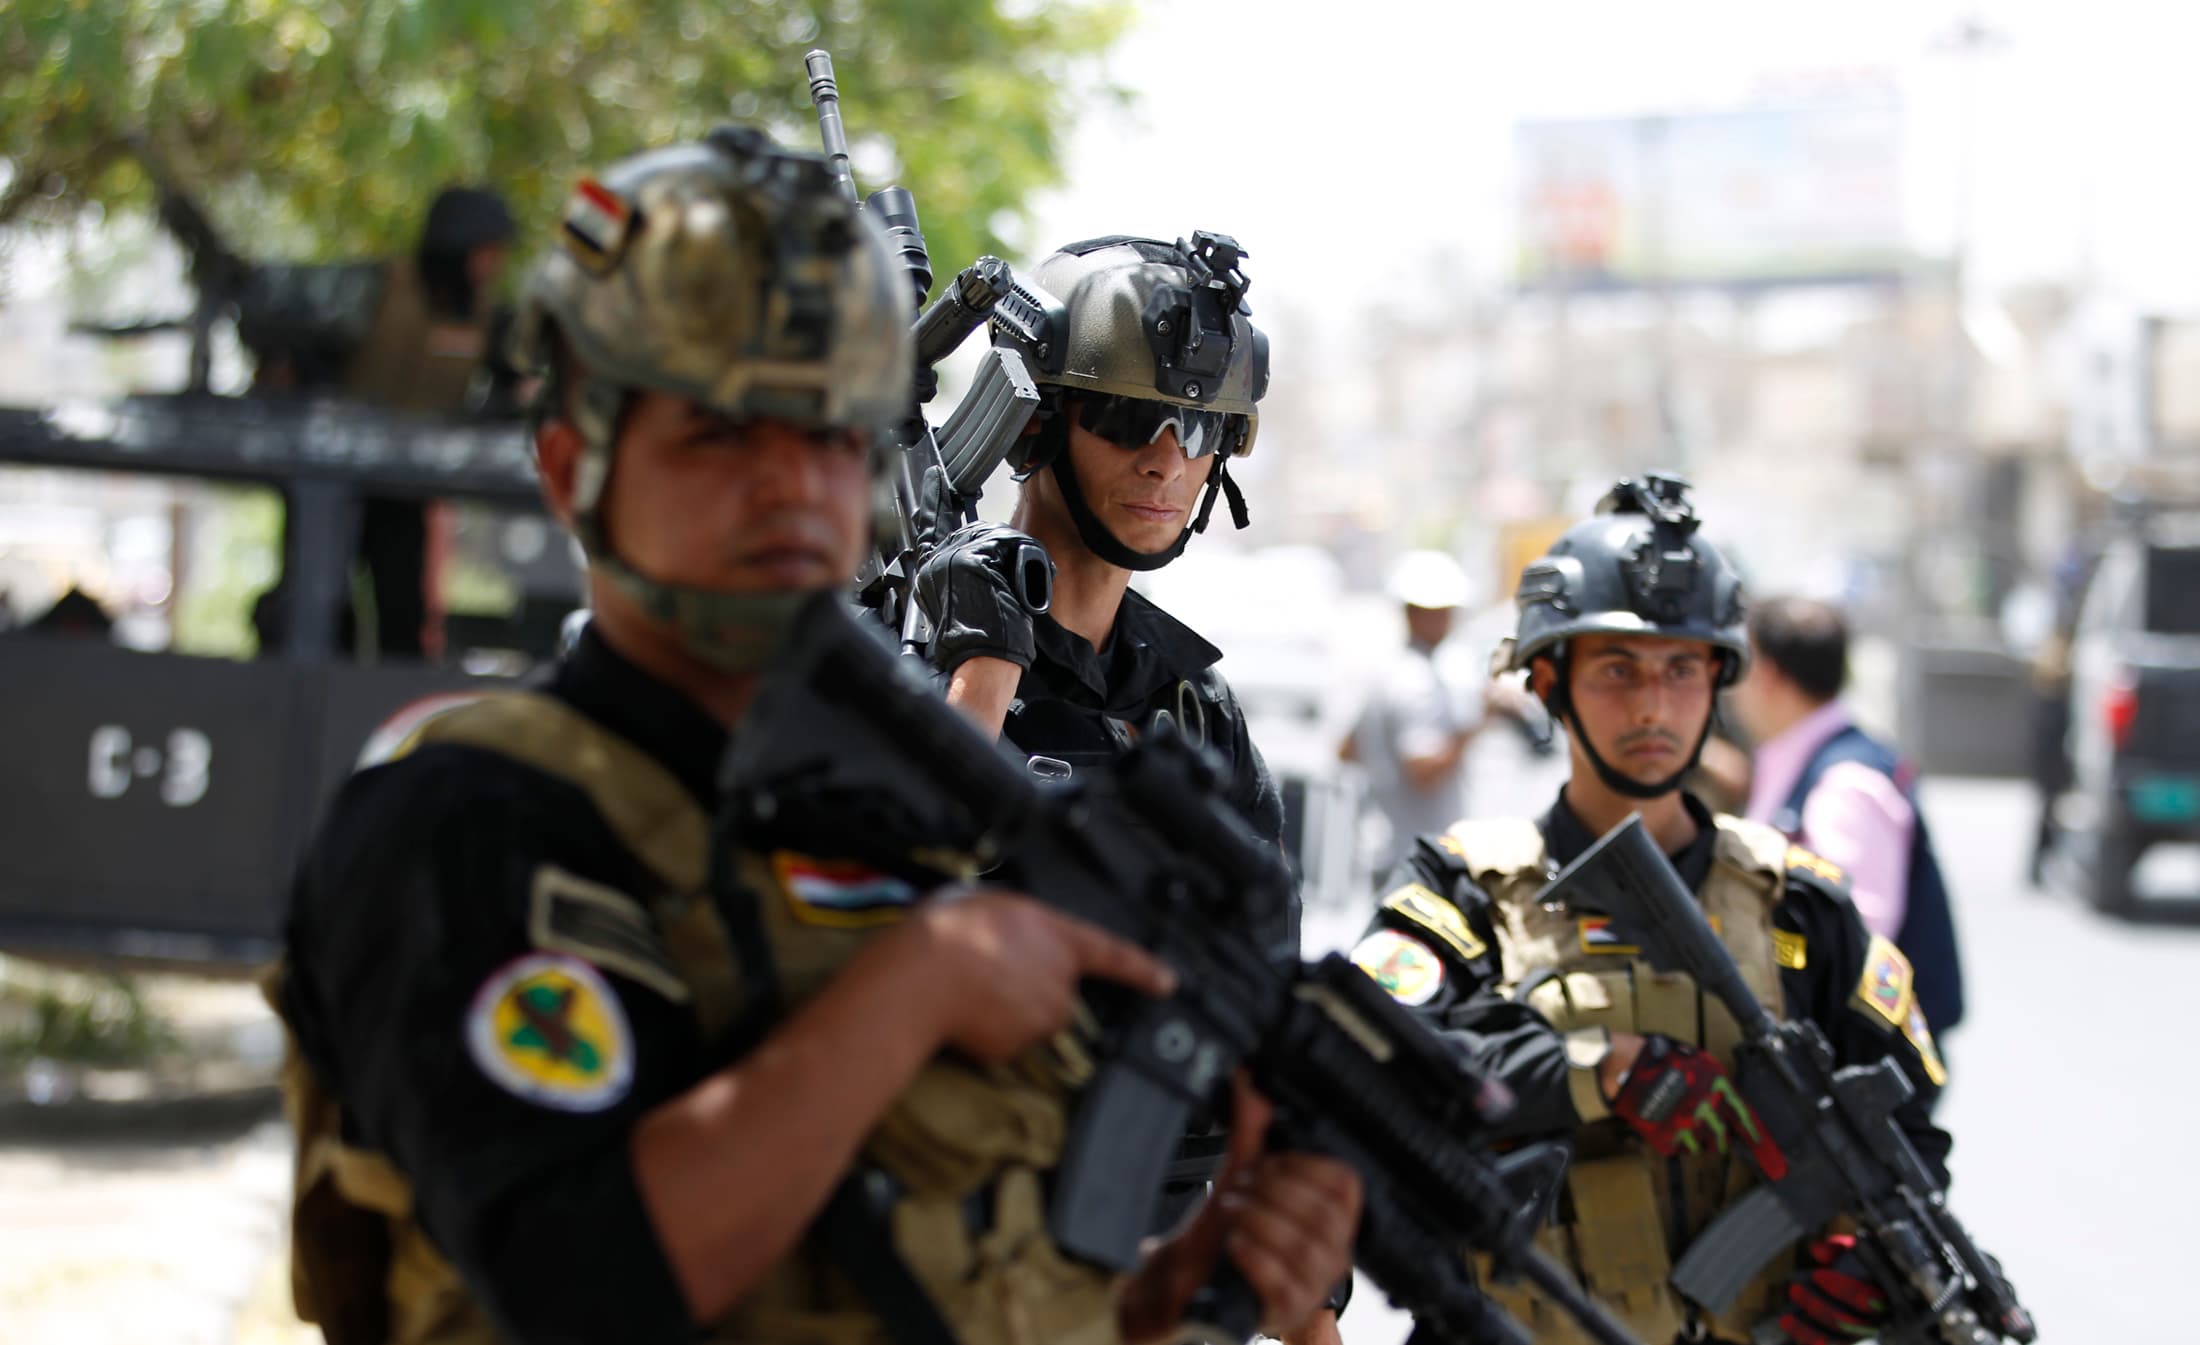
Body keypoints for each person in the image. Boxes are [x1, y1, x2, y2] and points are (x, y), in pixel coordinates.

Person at [268, 130, 1358, 1345]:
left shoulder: (866, 823)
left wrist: (1182, 1285)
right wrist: (924, 977)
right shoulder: (471, 813)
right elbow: (576, 1282)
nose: (792, 486)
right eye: (723, 433)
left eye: (832, 435)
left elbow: (924, 1272)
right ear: (574, 469)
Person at [1351, 475, 1952, 1345]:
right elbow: (1363, 1060)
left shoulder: (1799, 905)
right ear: (1549, 681)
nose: (1652, 706)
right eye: (1617, 670)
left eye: (1681, 670)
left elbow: (1906, 1128)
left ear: (1718, 683)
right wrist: (1588, 1071)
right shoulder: (1466, 892)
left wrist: (1866, 1266)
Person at [1729, 596, 1965, 1035]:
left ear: (1768, 674)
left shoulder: (1844, 785)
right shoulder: (1802, 756)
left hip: (1854, 1053)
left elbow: (1852, 944)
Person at [1339, 550, 1488, 870]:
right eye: (1441, 612)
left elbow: (1347, 750)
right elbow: (1423, 771)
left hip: (1387, 847)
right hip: (1419, 857)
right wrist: (1479, 722)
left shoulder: (1389, 670)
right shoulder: (1416, 681)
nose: (1446, 621)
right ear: (1414, 614)